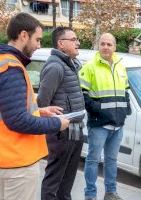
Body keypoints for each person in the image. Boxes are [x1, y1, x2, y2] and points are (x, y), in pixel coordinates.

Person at [0, 13, 69, 200]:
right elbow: (17, 121)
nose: (39, 45)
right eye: (37, 39)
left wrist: (39, 112)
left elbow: (7, 111)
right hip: (16, 165)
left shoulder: (3, 63)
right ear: (24, 35)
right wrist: (57, 124)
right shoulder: (12, 68)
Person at [79, 33, 131, 200]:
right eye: (103, 44)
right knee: (93, 160)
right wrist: (98, 110)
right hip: (99, 124)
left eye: (109, 44)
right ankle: (90, 195)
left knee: (112, 160)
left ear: (115, 47)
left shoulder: (121, 66)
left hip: (118, 124)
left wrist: (126, 110)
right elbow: (82, 94)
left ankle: (110, 192)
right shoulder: (89, 67)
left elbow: (127, 91)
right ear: (98, 45)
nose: (106, 47)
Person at [38, 27, 85, 200]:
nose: (78, 43)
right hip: (61, 132)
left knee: (67, 180)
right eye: (73, 39)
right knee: (54, 180)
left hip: (75, 130)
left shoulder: (69, 65)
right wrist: (56, 122)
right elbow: (42, 103)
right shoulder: (55, 66)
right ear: (61, 44)